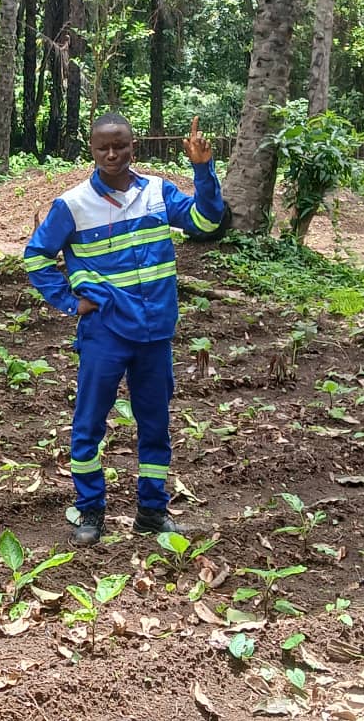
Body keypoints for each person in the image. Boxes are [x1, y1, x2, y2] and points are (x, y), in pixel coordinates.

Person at [23, 113, 224, 547]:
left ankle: (152, 513)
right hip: (105, 333)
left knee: (155, 425)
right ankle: (90, 511)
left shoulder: (156, 192)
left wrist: (203, 170)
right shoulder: (73, 205)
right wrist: (69, 301)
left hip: (155, 333)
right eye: (103, 148)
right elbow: (37, 257)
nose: (112, 155)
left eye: (121, 146)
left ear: (134, 147)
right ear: (91, 149)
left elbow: (207, 224)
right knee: (90, 424)